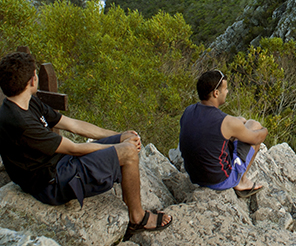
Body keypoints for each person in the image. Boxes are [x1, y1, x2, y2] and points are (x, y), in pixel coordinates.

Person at [0, 51, 172, 242]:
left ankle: (120, 164)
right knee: (129, 153)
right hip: (50, 182)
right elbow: (74, 148)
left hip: (58, 162)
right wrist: (118, 148)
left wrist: (117, 136)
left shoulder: (26, 103)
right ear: (32, 80)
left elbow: (72, 124)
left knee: (126, 140)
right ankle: (137, 218)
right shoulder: (20, 123)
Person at [179, 69, 268, 198]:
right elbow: (256, 138)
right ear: (216, 93)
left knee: (241, 121)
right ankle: (242, 182)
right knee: (254, 125)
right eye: (225, 89)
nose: (227, 92)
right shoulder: (225, 122)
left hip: (195, 177)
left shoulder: (188, 111)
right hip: (219, 180)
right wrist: (264, 130)